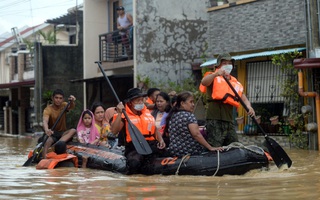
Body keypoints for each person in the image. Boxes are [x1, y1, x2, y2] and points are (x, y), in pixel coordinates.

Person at [199, 52, 255, 147]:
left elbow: (244, 98)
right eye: (224, 63)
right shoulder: (212, 76)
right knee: (215, 144)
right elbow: (204, 82)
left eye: (229, 63)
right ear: (218, 65)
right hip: (214, 118)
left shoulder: (234, 82)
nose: (227, 65)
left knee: (234, 144)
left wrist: (249, 107)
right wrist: (216, 74)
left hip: (229, 120)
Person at [112, 88, 166, 174]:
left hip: (151, 145)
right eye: (138, 100)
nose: (141, 102)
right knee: (134, 163)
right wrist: (119, 113)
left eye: (142, 100)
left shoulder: (146, 112)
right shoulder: (123, 115)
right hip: (134, 147)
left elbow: (154, 128)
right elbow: (114, 131)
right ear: (130, 102)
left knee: (164, 155)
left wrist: (160, 140)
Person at [164, 91, 223, 157]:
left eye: (193, 102)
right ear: (182, 103)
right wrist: (210, 147)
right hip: (189, 152)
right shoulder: (189, 116)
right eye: (191, 102)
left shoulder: (172, 116)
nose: (193, 104)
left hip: (174, 151)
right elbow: (196, 134)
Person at [42, 89, 77, 159]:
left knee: (73, 130)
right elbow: (45, 121)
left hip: (62, 134)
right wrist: (46, 130)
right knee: (48, 141)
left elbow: (71, 106)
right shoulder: (48, 109)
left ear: (63, 99)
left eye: (60, 98)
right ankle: (44, 159)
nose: (58, 100)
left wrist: (72, 101)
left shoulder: (64, 105)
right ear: (52, 98)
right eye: (56, 98)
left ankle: (57, 145)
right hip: (53, 133)